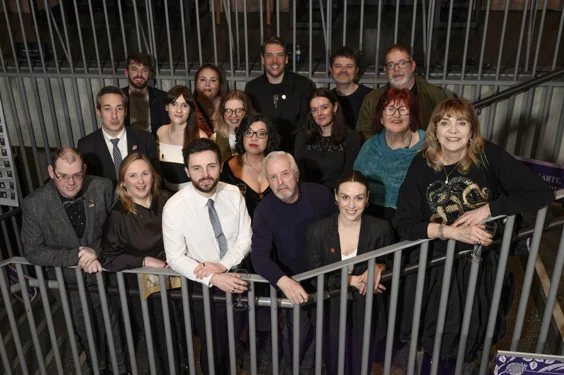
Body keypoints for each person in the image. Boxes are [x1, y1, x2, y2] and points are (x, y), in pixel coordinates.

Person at [392, 98, 554, 373]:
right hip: (437, 268)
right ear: (435, 129)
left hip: (479, 269)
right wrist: (453, 232)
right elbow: (404, 223)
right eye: (445, 123)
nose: (453, 131)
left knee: (471, 339)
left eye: (461, 123)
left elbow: (541, 193)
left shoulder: (487, 156)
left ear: (472, 130)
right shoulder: (422, 164)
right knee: (436, 342)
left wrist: (489, 209)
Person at [21, 148, 128, 375]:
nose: (71, 182)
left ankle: (120, 369)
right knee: (83, 328)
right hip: (67, 281)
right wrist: (77, 256)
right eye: (63, 176)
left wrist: (96, 251)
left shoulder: (102, 187)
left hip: (103, 273)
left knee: (113, 324)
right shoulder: (34, 204)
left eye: (77, 175)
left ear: (84, 171)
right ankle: (97, 369)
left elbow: (117, 230)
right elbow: (32, 251)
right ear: (51, 172)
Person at [163, 138, 252, 374]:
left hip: (237, 275)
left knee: (235, 335)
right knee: (212, 347)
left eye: (211, 166)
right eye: (196, 168)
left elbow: (245, 238)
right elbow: (175, 257)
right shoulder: (174, 207)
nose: (205, 174)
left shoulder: (233, 194)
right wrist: (213, 278)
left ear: (221, 167)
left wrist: (222, 266)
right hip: (203, 286)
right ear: (186, 171)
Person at [251, 151, 336, 374]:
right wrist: (284, 282)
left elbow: (342, 230)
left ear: (296, 174)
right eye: (273, 177)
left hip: (328, 279)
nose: (280, 183)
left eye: (285, 174)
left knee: (329, 333)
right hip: (293, 285)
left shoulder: (320, 195)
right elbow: (258, 256)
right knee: (297, 339)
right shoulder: (264, 211)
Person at [307, 170, 394, 375]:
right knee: (333, 364)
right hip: (331, 308)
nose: (351, 205)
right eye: (345, 197)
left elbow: (392, 261)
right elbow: (313, 276)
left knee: (362, 364)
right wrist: (350, 280)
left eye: (359, 198)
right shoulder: (317, 231)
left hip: (367, 309)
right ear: (336, 196)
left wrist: (380, 266)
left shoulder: (381, 228)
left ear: (368, 199)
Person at [100, 152, 176, 373]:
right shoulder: (119, 215)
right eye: (133, 176)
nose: (140, 181)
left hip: (174, 280)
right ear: (123, 181)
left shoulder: (167, 199)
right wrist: (144, 260)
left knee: (178, 333)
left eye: (145, 174)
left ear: (153, 176)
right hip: (141, 288)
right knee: (159, 338)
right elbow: (107, 257)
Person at [353, 88, 424, 220]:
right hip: (372, 217)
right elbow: (355, 183)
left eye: (403, 109)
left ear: (412, 116)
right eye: (390, 109)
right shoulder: (370, 146)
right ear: (381, 117)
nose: (396, 115)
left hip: (413, 216)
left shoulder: (428, 145)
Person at [356, 44, 447, 140]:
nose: (396, 69)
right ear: (385, 70)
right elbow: (363, 133)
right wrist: (384, 149)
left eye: (402, 63)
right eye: (391, 65)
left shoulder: (436, 96)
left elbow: (444, 129)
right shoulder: (372, 99)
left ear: (412, 66)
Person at [245, 36, 315, 153]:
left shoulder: (303, 85)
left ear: (286, 59)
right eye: (269, 55)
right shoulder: (252, 88)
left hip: (296, 151)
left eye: (279, 55)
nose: (275, 61)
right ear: (263, 59)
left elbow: (307, 125)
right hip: (263, 153)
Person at [77, 86, 159, 183]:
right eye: (108, 109)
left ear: (126, 111)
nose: (114, 115)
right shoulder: (86, 146)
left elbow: (155, 178)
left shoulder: (145, 139)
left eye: (119, 108)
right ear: (98, 112)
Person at [294, 88, 361, 190]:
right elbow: (298, 174)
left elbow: (348, 177)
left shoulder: (352, 137)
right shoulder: (302, 136)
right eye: (314, 109)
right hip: (308, 195)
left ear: (335, 107)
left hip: (337, 197)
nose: (319, 113)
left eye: (324, 107)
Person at [220, 113, 280, 221]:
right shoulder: (227, 169)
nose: (254, 138)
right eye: (249, 132)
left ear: (269, 137)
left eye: (261, 134)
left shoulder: (279, 165)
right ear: (242, 135)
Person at [156, 85, 208, 192]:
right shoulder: (160, 132)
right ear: (166, 107)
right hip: (165, 193)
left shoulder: (201, 137)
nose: (179, 110)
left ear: (190, 110)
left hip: (193, 193)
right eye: (174, 104)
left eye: (184, 105)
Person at [122, 52, 170, 133]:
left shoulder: (162, 97)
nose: (139, 74)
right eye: (134, 69)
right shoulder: (118, 97)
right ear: (126, 72)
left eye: (144, 70)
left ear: (150, 74)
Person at [330, 46, 372, 129]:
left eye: (349, 66)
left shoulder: (371, 97)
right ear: (331, 70)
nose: (343, 71)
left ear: (356, 71)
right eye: (338, 66)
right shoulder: (327, 98)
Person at [212, 90, 256, 161]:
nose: (234, 115)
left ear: (247, 112)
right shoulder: (215, 139)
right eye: (228, 111)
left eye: (239, 110)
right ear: (222, 113)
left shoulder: (256, 137)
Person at [194, 63, 226, 136]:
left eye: (213, 80)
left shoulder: (228, 107)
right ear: (196, 83)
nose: (207, 84)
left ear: (220, 85)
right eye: (202, 80)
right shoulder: (187, 106)